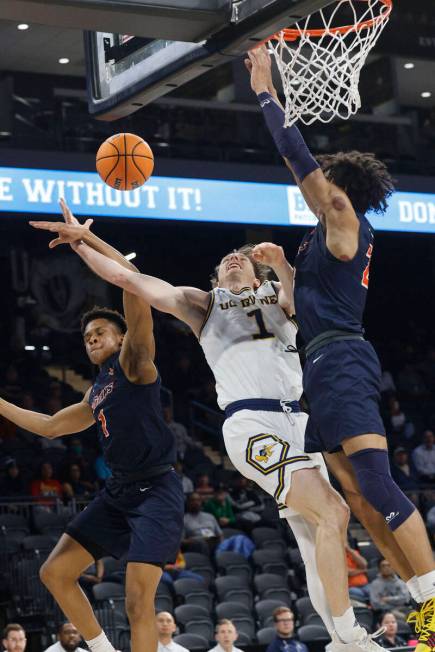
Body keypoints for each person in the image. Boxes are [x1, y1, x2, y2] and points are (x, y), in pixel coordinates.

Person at [34, 210, 385, 650]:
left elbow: (305, 303)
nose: (232, 260)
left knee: (316, 537)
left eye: (241, 260)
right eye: (224, 261)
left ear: (257, 276)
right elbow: (131, 280)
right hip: (250, 423)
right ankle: (351, 634)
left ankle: (340, 639)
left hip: (299, 422)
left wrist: (279, 265)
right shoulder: (204, 304)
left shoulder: (278, 295)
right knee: (332, 512)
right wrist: (84, 243)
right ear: (216, 278)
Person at [245, 44, 435, 652]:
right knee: (354, 493)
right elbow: (304, 310)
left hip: (346, 358)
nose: (316, 183)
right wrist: (282, 272)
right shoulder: (324, 242)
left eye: (326, 179)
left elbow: (296, 155)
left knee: (376, 483)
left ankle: (434, 598)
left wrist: (264, 90)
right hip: (318, 362)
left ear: (340, 189)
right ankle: (417, 599)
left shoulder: (344, 217)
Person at [0, 198, 185, 652]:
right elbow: (48, 427)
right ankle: (101, 649)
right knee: (54, 573)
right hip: (119, 492)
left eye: (100, 332)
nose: (92, 339)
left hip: (157, 491)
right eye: (86, 338)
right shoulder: (97, 390)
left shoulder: (136, 361)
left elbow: (133, 283)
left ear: (121, 337)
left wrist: (87, 239)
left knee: (138, 601)